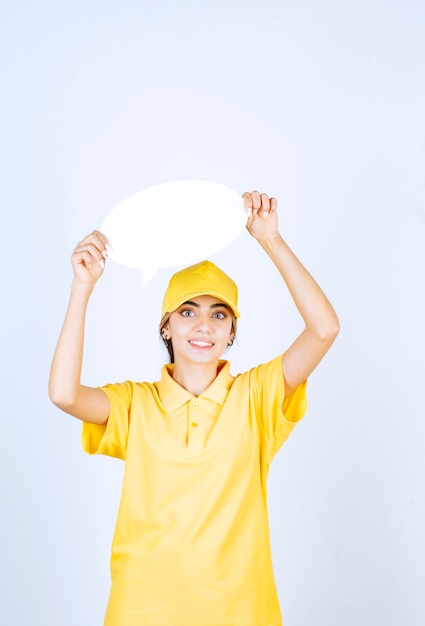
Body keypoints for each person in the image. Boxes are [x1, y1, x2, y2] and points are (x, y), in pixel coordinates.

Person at [49, 190, 339, 626]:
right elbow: (64, 394)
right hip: (141, 609)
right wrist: (82, 287)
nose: (204, 325)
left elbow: (324, 328)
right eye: (188, 312)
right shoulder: (135, 405)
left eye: (219, 315)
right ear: (166, 325)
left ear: (232, 333)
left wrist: (270, 239)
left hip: (241, 610)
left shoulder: (256, 396)